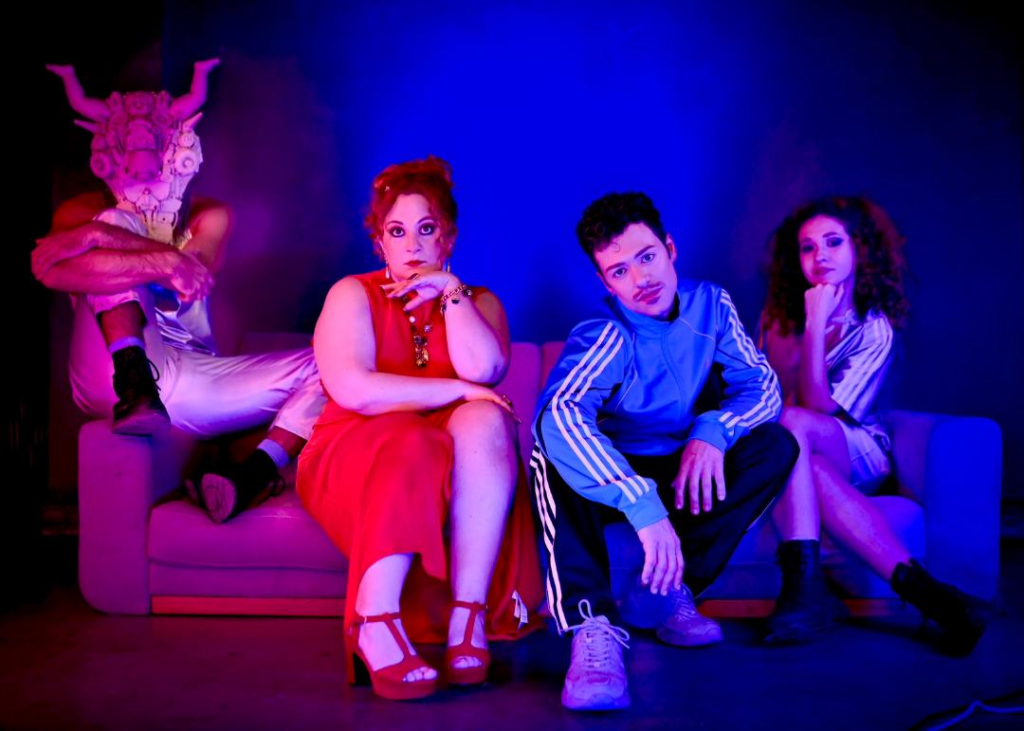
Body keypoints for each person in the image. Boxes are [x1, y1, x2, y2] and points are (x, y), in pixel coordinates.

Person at [531, 191, 797, 711]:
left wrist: (713, 431)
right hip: (613, 474)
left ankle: (669, 590)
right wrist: (641, 503)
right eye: (619, 271)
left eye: (647, 256)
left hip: (679, 462)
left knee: (774, 445)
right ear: (605, 283)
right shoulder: (605, 334)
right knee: (554, 452)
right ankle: (592, 627)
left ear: (670, 249)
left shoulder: (711, 306)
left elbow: (763, 386)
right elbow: (558, 413)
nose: (640, 279)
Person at [34, 60, 325, 522]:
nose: (146, 159)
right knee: (114, 221)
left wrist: (96, 245)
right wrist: (113, 238)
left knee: (329, 365)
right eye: (132, 144)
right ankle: (135, 383)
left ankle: (251, 475)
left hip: (191, 374)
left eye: (157, 143)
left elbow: (190, 276)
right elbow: (49, 273)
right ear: (111, 148)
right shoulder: (81, 212)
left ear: (179, 148)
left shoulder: (209, 216)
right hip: (109, 372)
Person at [296, 156, 542, 701]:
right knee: (416, 436)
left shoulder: (478, 301)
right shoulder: (351, 293)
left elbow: (484, 371)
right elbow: (356, 391)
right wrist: (455, 390)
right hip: (355, 451)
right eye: (397, 232)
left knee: (486, 416)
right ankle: (374, 621)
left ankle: (467, 617)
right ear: (379, 243)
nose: (412, 245)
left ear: (447, 239)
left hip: (445, 454)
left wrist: (450, 291)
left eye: (426, 230)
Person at [760, 195, 988, 654]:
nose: (820, 256)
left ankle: (803, 592)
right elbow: (756, 395)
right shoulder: (777, 320)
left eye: (833, 242)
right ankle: (933, 597)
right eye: (807, 247)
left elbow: (817, 408)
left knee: (794, 422)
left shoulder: (872, 327)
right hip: (795, 455)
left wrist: (816, 324)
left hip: (857, 449)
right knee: (801, 461)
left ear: (859, 249)